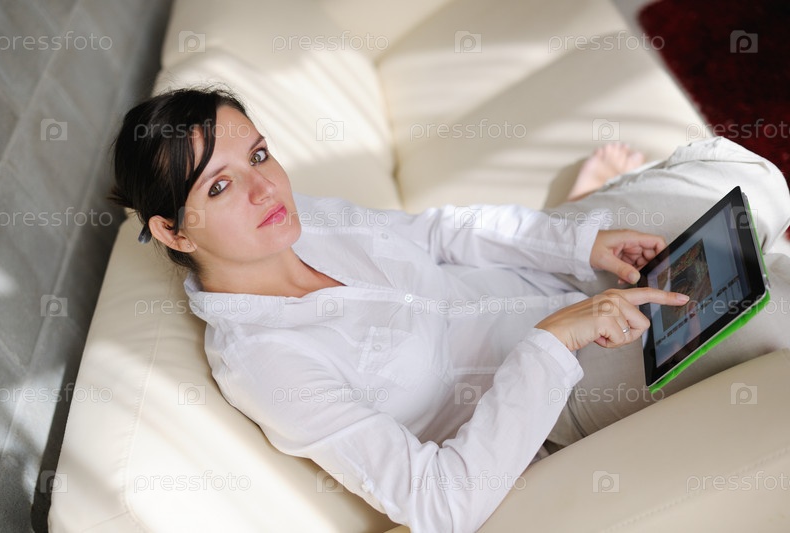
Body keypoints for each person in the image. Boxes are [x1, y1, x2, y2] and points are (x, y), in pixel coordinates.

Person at [110, 88, 790, 532]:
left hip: (542, 266)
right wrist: (553, 343)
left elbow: (435, 235)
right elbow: (441, 502)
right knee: (772, 310)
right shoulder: (267, 364)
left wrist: (578, 242)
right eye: (221, 186)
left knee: (752, 181)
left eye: (259, 154)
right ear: (174, 231)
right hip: (561, 384)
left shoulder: (294, 216)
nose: (265, 188)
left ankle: (583, 208)